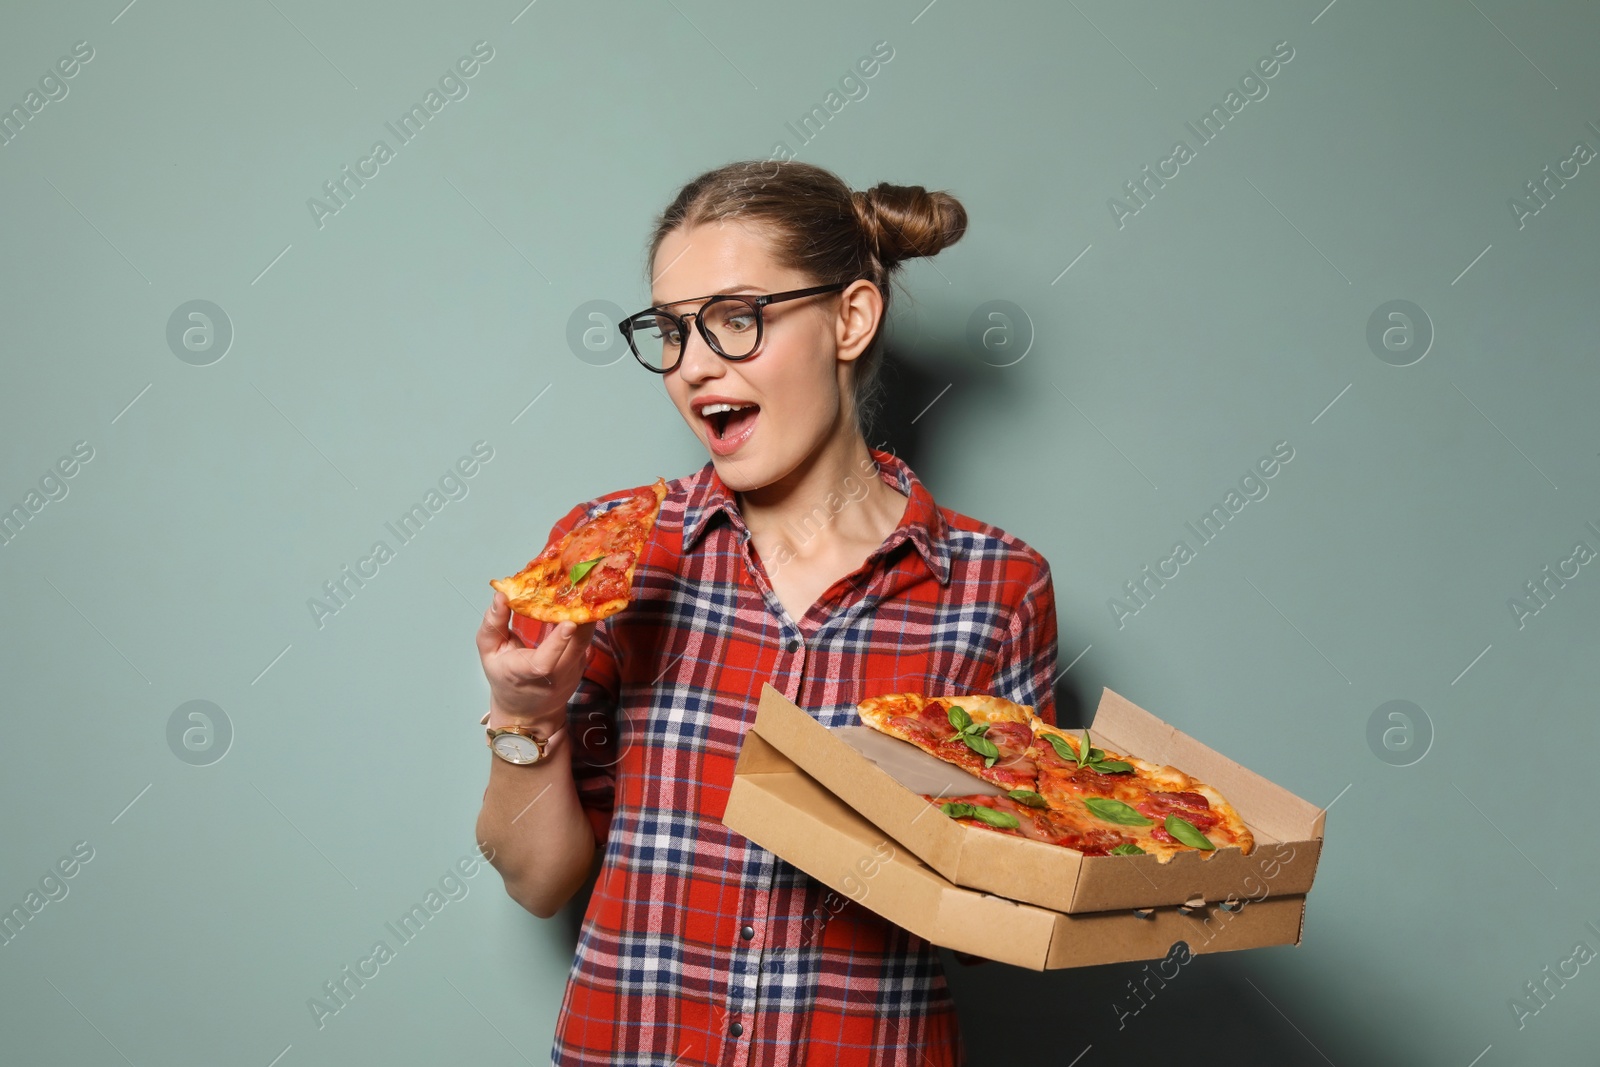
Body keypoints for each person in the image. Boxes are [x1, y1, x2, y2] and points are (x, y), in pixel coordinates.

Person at [474, 159, 1059, 1067]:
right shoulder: (612, 550)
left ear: (850, 318)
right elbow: (539, 880)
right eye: (671, 331)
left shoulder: (996, 587)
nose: (696, 365)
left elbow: (1000, 921)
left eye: (737, 319)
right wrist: (527, 713)